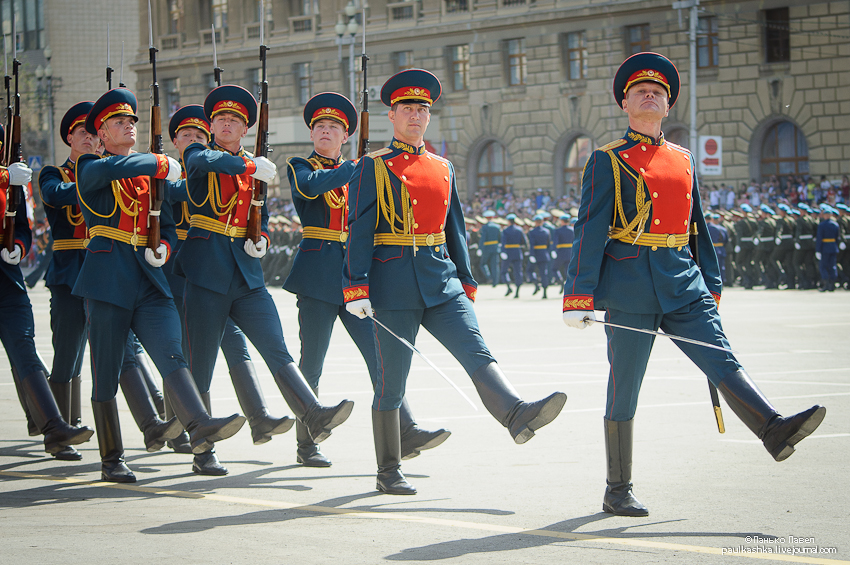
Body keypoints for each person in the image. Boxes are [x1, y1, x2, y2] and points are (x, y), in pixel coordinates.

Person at [562, 52, 826, 517]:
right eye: (641, 91)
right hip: (630, 284)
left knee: (720, 358)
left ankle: (772, 428)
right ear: (625, 103)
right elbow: (589, 227)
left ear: (668, 107)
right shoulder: (608, 160)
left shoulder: (682, 160)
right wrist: (579, 295)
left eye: (659, 93)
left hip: (683, 281)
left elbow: (697, 225)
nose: (650, 95)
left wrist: (712, 282)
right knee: (625, 388)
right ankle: (617, 487)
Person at [343, 68, 567, 495]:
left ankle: (516, 412)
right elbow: (359, 228)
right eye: (407, 108)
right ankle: (388, 468)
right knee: (392, 382)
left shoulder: (442, 167)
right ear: (392, 115)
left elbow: (454, 228)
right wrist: (355, 285)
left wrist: (465, 278)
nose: (415, 116)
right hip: (392, 284)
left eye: (422, 109)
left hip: (441, 281)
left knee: (475, 350)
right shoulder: (373, 167)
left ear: (429, 116)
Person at [75, 88, 246, 483]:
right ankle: (111, 456)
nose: (128, 126)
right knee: (107, 371)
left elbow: (175, 210)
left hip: (150, 280)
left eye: (132, 121)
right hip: (107, 280)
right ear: (101, 134)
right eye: (119, 122)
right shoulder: (91, 166)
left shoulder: (148, 176)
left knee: (172, 354)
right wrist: (156, 161)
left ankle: (198, 424)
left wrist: (228, 166)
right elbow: (110, 172)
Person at [176, 85, 354, 453]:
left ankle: (313, 412)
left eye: (236, 120)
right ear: (211, 125)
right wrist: (248, 165)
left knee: (277, 348)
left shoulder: (256, 167)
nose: (228, 124)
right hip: (205, 270)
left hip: (246, 275)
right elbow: (201, 163)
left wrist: (263, 240)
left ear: (245, 130)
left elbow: (261, 213)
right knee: (202, 363)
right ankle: (201, 444)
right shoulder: (201, 152)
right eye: (222, 119)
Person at [284, 91, 449, 467]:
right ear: (312, 134)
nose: (326, 132)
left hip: (355, 278)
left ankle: (404, 430)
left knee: (381, 359)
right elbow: (311, 188)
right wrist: (360, 165)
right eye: (320, 127)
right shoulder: (301, 165)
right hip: (316, 277)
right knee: (312, 362)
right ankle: (307, 442)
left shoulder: (364, 167)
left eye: (334, 128)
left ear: (345, 136)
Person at [165, 104, 292, 474]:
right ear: (176, 142)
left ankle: (258, 417)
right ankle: (181, 425)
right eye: (185, 136)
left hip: (227, 267)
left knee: (234, 344)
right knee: (184, 353)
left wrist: (261, 235)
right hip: (182, 269)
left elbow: (254, 211)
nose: (193, 139)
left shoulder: (228, 166)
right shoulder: (187, 168)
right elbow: (171, 201)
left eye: (196, 134)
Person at [500, 213, 528, 298]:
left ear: (508, 221)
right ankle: (517, 292)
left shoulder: (505, 230)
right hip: (517, 252)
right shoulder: (519, 230)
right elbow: (524, 241)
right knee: (518, 272)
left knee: (504, 271)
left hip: (508, 252)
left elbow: (503, 242)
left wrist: (503, 251)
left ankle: (509, 286)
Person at [815, 206, 841, 291]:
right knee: (832, 266)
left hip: (825, 247)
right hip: (833, 247)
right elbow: (838, 237)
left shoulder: (822, 225)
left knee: (823, 266)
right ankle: (832, 285)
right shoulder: (835, 224)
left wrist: (818, 250)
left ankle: (826, 284)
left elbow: (819, 238)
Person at [527, 213, 551, 298]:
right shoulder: (546, 231)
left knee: (529, 270)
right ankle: (545, 293)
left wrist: (532, 255)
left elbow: (532, 244)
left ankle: (536, 283)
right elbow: (548, 244)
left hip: (536, 253)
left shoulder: (532, 232)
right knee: (543, 273)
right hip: (544, 253)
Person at [477, 210, 501, 286]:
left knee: (483, 264)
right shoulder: (497, 226)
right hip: (495, 247)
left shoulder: (485, 227)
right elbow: (500, 238)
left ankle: (489, 277)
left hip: (487, 248)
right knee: (495, 265)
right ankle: (495, 281)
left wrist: (480, 248)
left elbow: (483, 238)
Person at [551, 213, 574, 290]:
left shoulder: (558, 231)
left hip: (561, 253)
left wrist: (554, 250)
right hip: (570, 252)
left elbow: (555, 242)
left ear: (562, 221)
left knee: (554, 269)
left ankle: (560, 281)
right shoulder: (573, 230)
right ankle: (569, 286)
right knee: (568, 271)